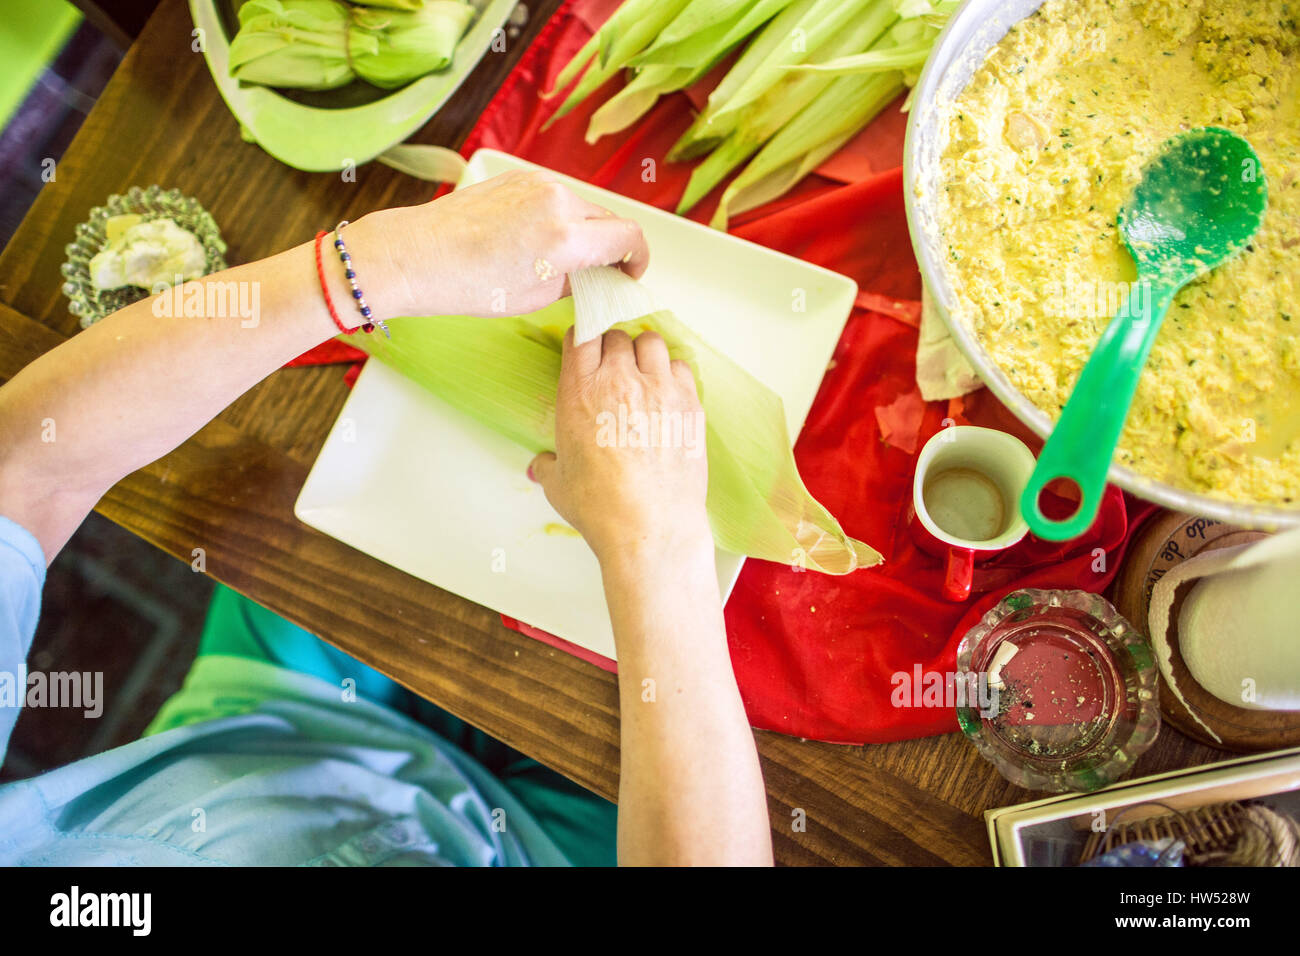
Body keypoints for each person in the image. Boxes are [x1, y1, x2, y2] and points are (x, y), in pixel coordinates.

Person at [0, 170, 773, 867]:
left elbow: (23, 465)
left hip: (275, 726)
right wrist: (660, 538)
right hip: (544, 845)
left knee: (302, 512)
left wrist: (374, 265)